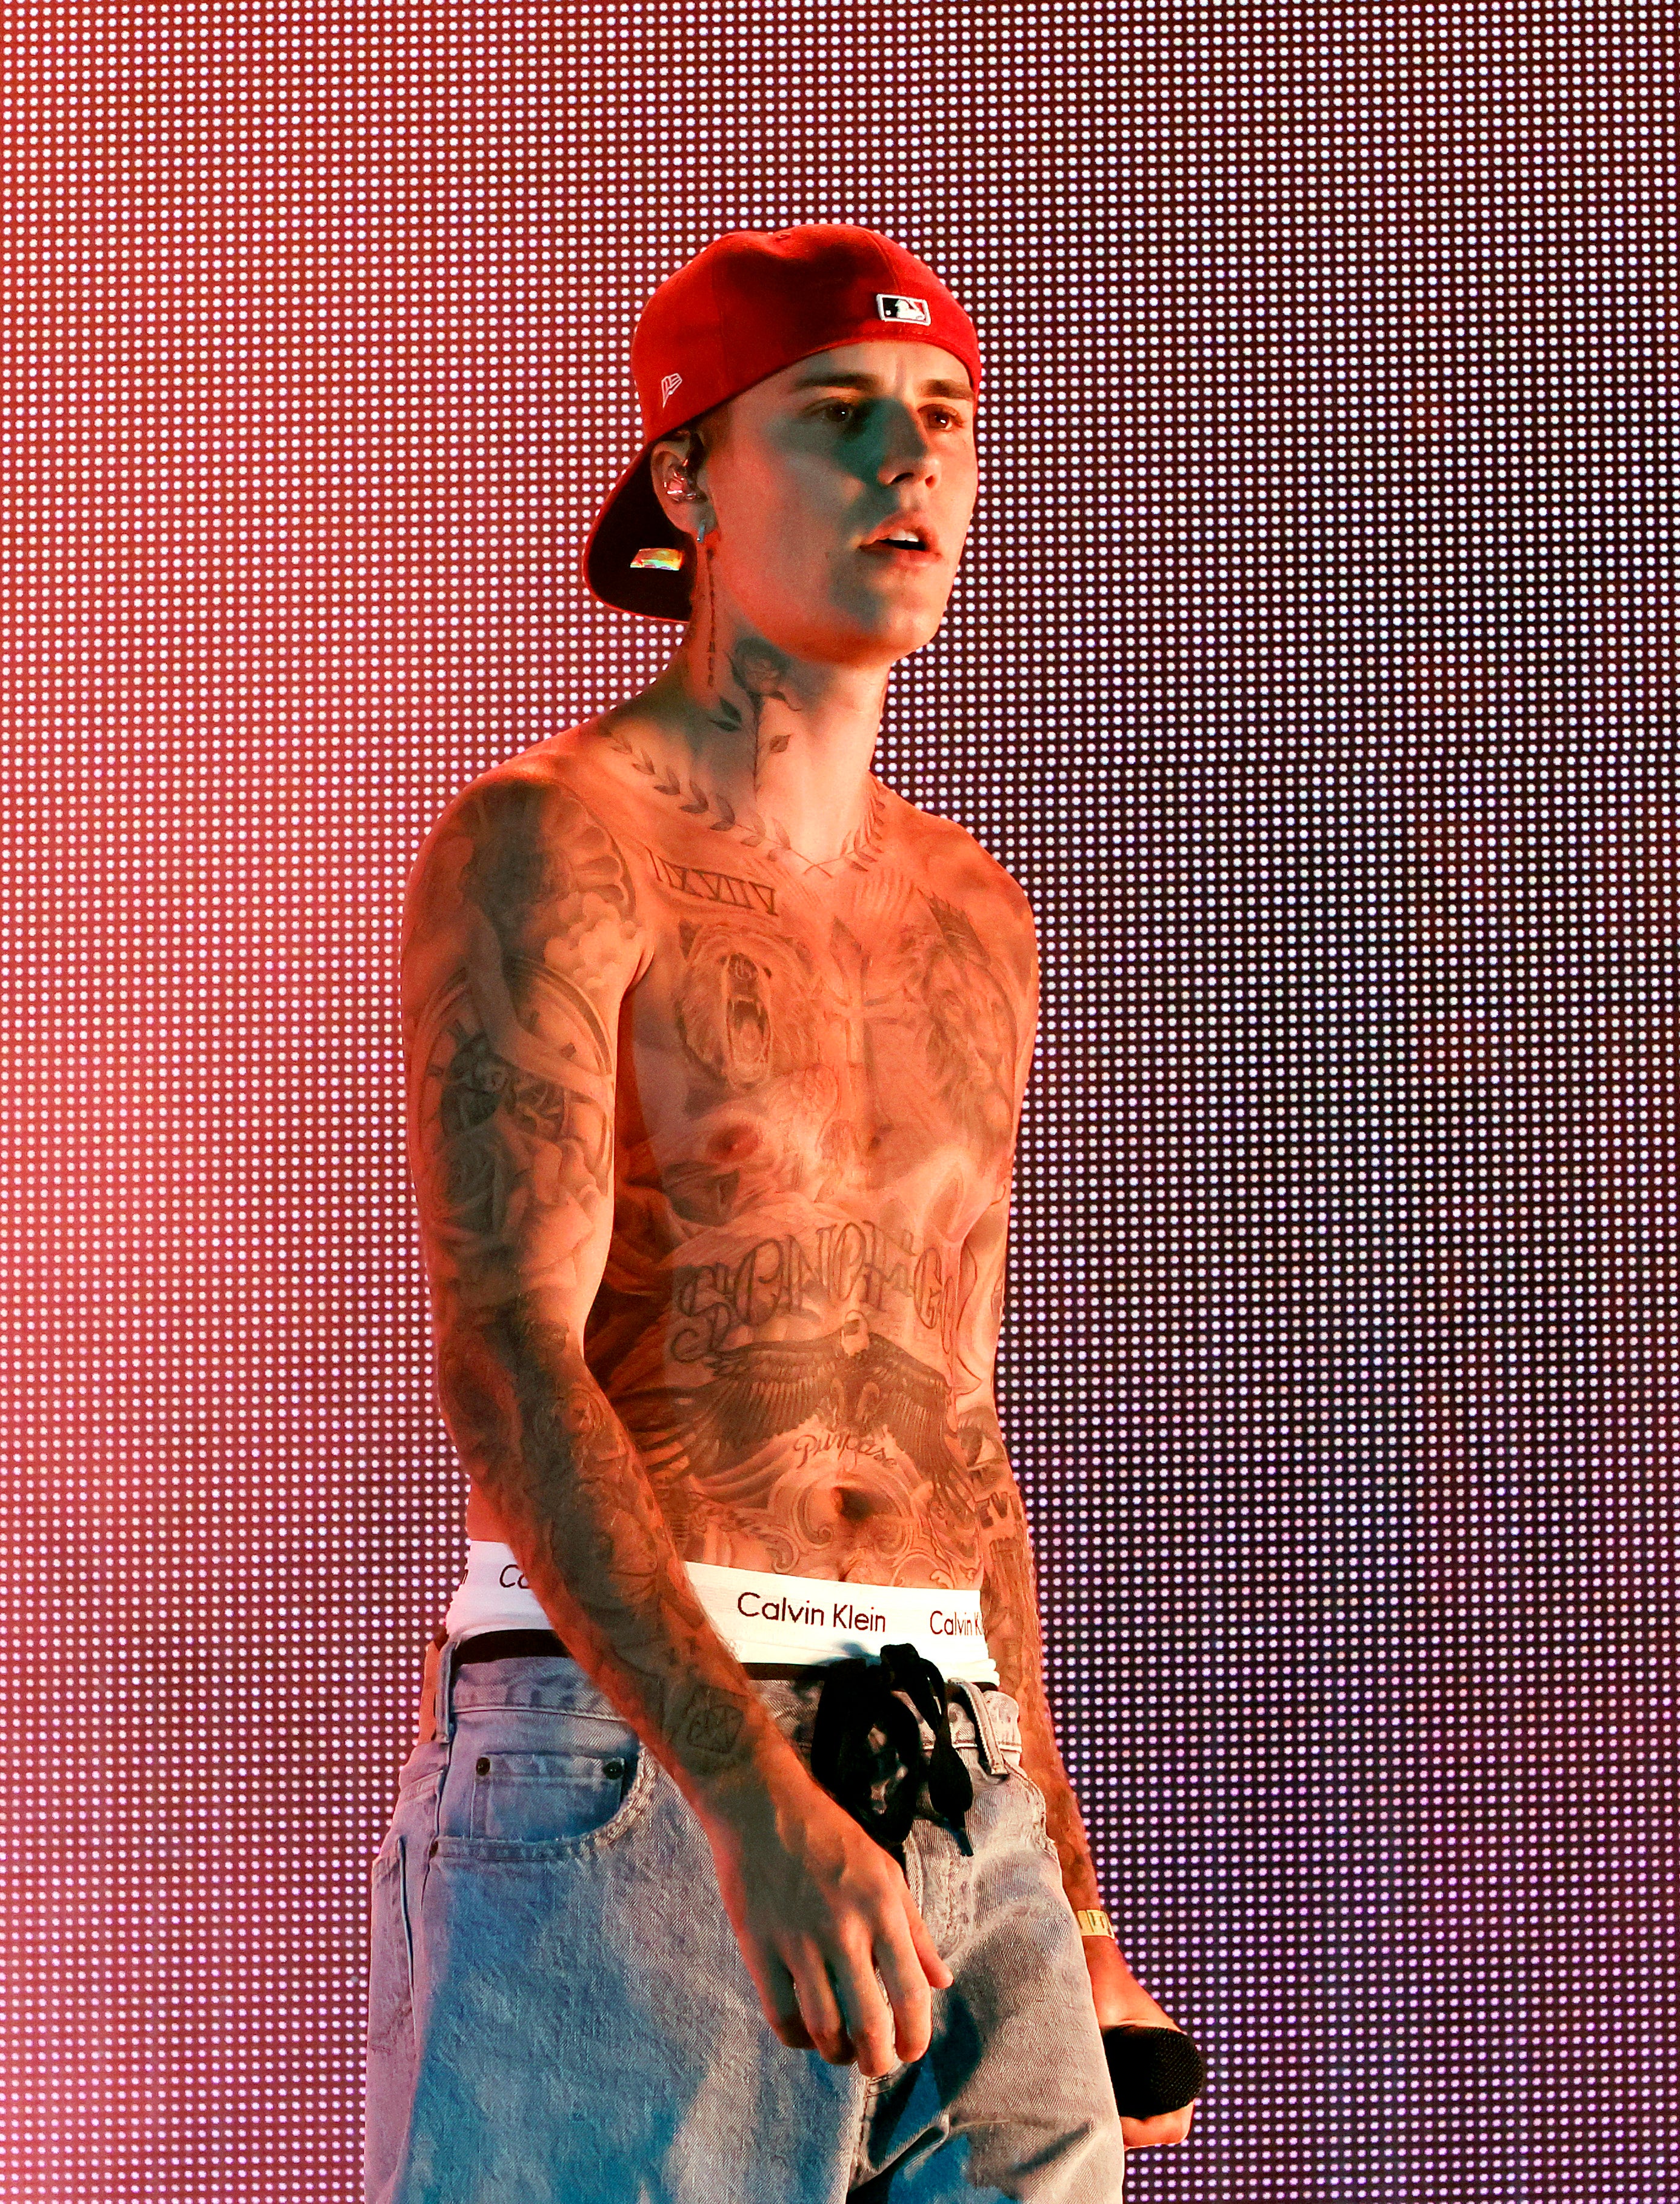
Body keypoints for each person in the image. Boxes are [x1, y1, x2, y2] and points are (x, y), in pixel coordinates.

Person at [367, 222, 1196, 2204]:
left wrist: (1072, 1895)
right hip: (642, 1770)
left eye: (943, 415)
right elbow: (508, 1350)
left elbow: (951, 1420)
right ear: (687, 479)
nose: (908, 461)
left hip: (959, 1786)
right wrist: (747, 1793)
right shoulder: (553, 842)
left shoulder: (971, 913)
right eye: (835, 413)